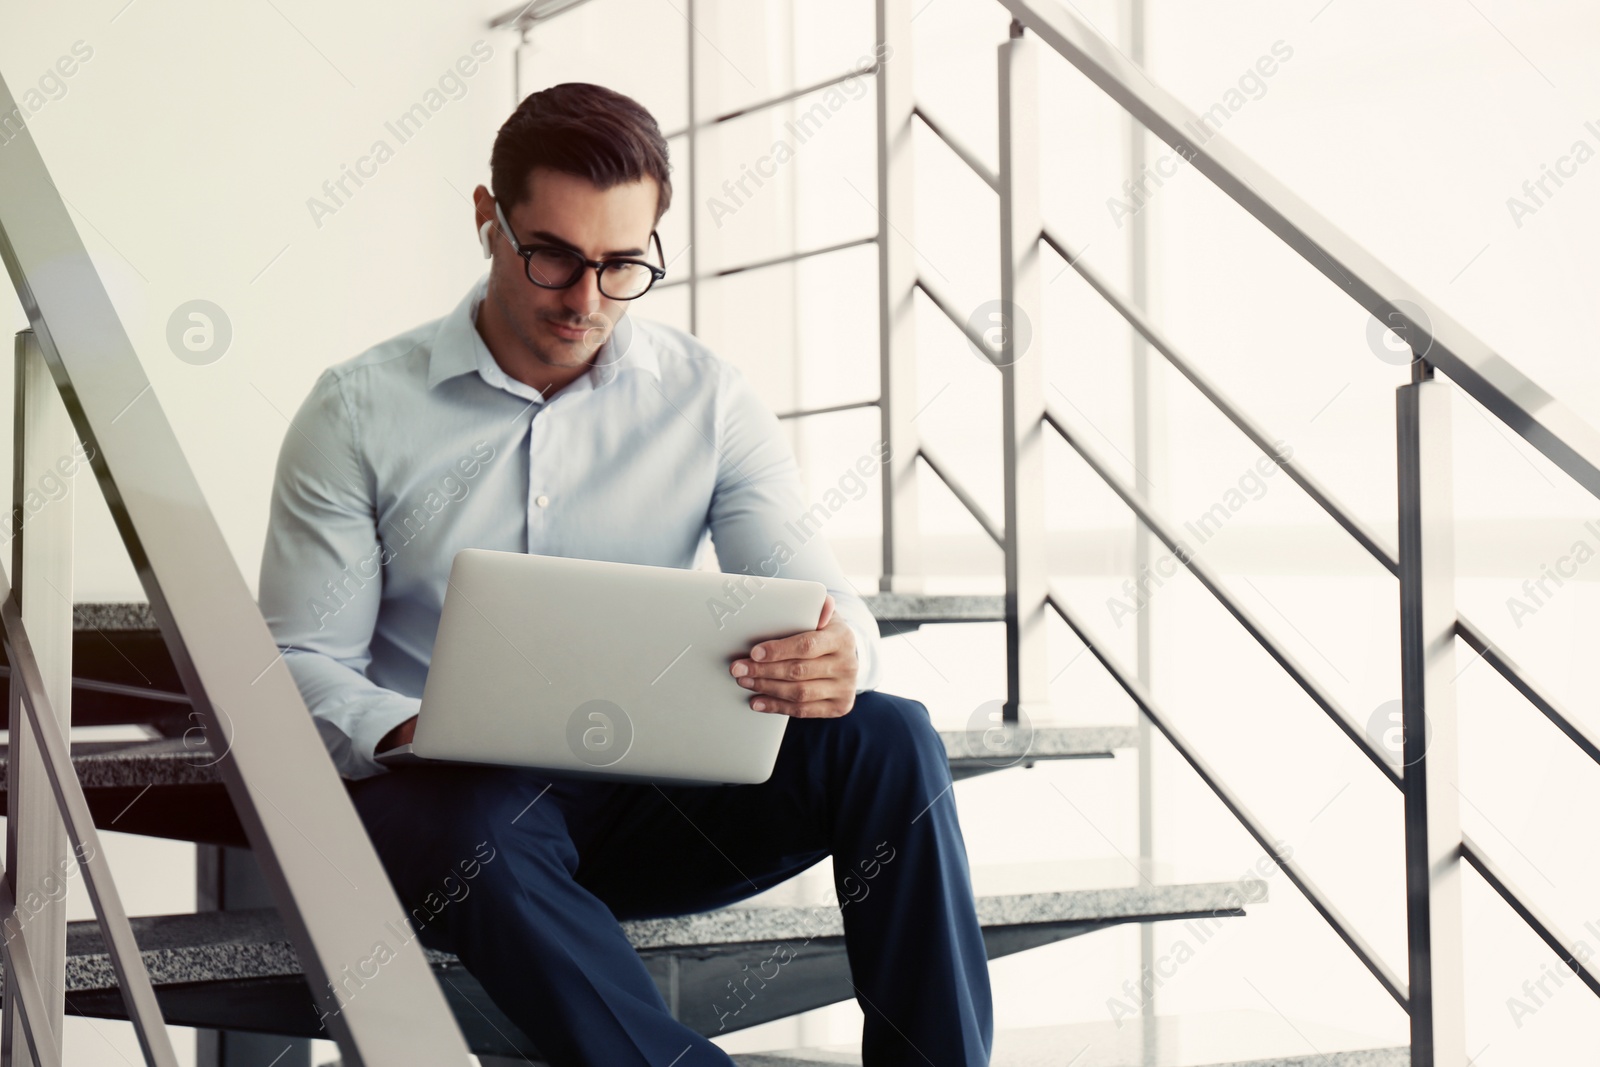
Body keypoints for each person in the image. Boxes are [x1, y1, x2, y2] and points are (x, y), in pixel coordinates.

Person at [258, 81, 993, 1066]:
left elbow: (819, 595)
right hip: (455, 818)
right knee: (473, 816)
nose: (586, 300)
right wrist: (406, 726)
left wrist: (839, 648)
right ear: (488, 218)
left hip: (650, 801)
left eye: (622, 265)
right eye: (554, 256)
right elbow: (296, 661)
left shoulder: (707, 399)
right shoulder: (357, 410)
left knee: (890, 733)